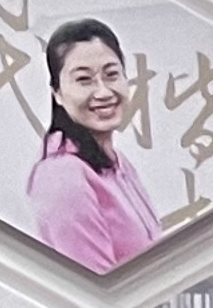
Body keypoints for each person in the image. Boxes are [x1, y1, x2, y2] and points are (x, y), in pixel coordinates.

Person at [25, 19, 161, 276]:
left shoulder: (117, 163)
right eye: (84, 80)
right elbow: (94, 287)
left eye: (112, 75)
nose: (103, 92)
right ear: (57, 93)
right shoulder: (62, 175)